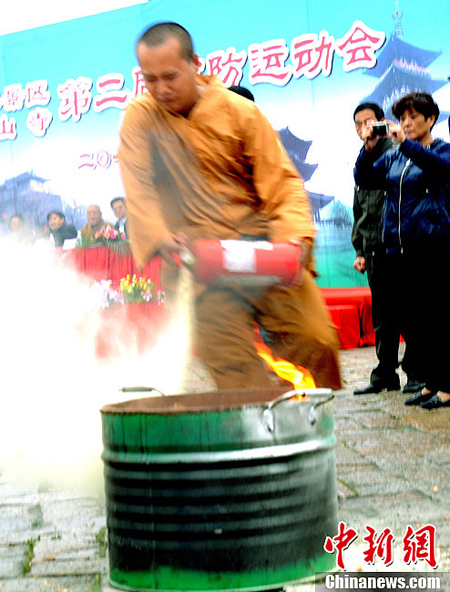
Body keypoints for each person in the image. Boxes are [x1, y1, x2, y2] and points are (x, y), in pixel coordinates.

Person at [118, 21, 342, 391]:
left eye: (170, 76)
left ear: (194, 63)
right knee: (237, 371)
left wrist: (294, 238)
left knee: (316, 340)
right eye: (150, 79)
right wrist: (159, 236)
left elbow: (281, 181)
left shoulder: (240, 112)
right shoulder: (140, 119)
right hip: (199, 266)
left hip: (263, 253)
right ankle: (263, 437)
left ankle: (316, 425)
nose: (161, 89)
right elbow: (138, 187)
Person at [354, 91, 450, 410]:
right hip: (399, 250)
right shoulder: (396, 157)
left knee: (439, 318)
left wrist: (405, 143)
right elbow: (365, 178)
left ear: (431, 120)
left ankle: (447, 386)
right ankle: (429, 383)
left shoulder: (442, 151)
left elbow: (437, 168)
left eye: (413, 117)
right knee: (417, 321)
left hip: (433, 246)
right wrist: (368, 149)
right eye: (403, 117)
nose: (406, 123)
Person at [351, 103, 421, 395]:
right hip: (376, 249)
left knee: (409, 311)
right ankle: (385, 374)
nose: (364, 128)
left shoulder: (397, 151)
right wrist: (360, 250)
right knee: (382, 317)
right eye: (358, 124)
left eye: (369, 122)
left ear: (382, 122)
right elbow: (361, 208)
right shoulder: (364, 158)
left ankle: (417, 373)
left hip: (398, 246)